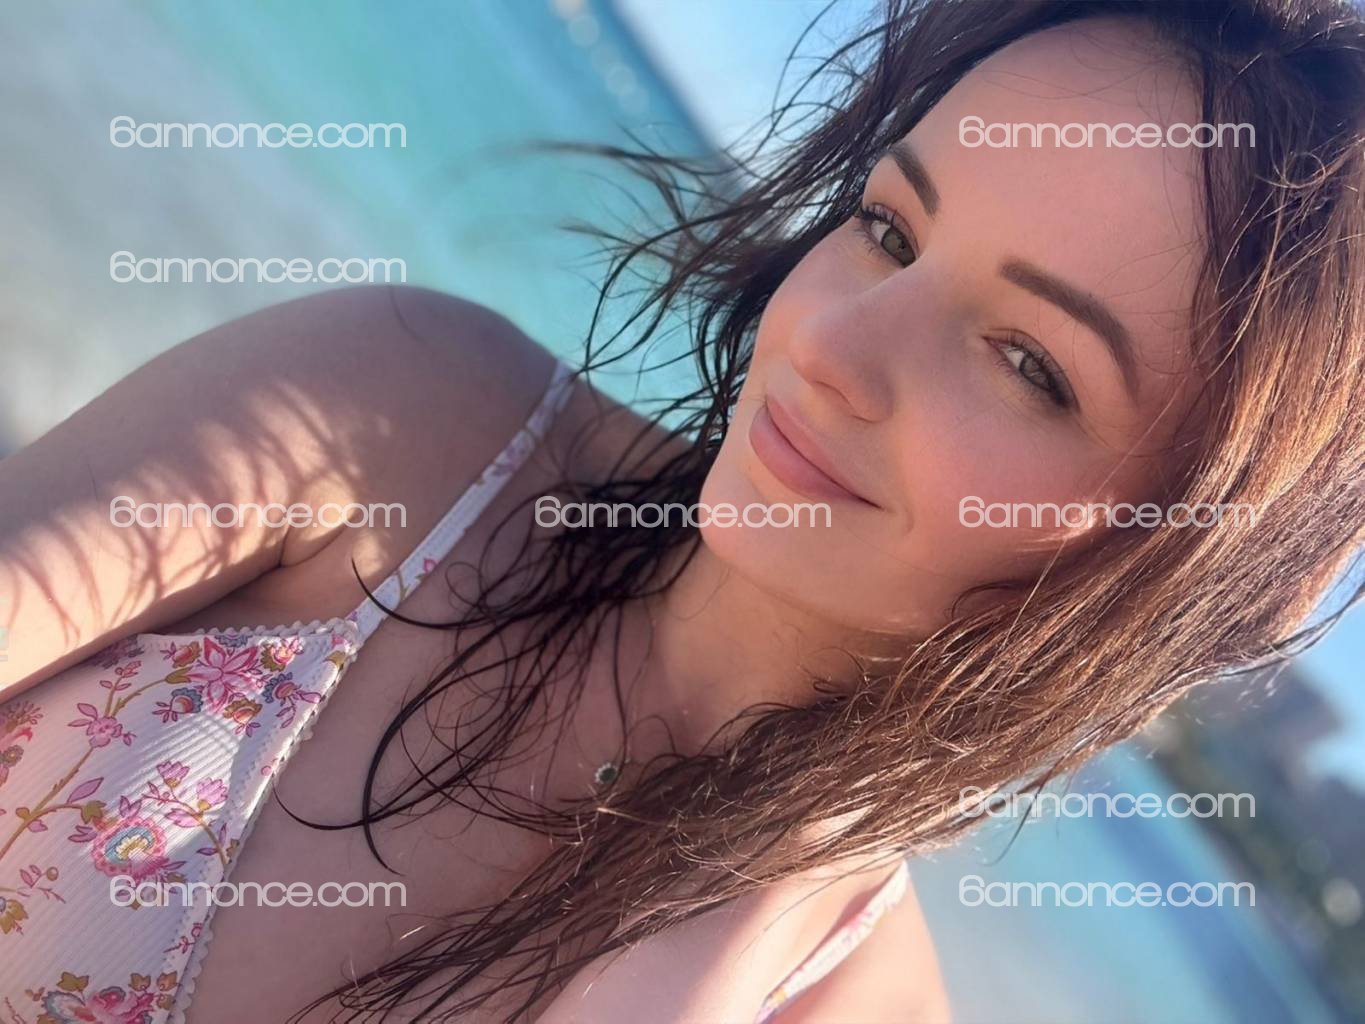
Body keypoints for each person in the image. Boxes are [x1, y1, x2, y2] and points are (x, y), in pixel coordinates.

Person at [2, 0, 1363, 1020]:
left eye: (1027, 364)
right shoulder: (400, 425)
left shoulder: (841, 998)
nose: (829, 342)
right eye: (889, 229)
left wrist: (763, 882)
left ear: (1180, 572)